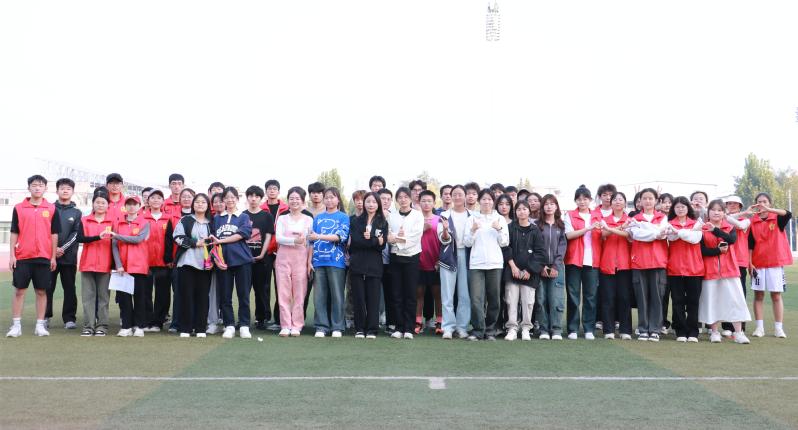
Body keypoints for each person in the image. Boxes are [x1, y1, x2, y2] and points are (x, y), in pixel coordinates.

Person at [6, 175, 60, 338]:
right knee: (19, 291)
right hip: (23, 256)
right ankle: (16, 326)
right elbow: (14, 232)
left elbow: (54, 234)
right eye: (34, 185)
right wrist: (12, 255)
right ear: (29, 187)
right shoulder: (19, 208)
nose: (37, 188)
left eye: (41, 185)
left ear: (46, 188)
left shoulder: (51, 208)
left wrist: (53, 257)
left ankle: (40, 326)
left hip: (43, 256)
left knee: (41, 291)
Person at [699, 199, 751, 344]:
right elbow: (702, 250)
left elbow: (731, 240)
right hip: (710, 271)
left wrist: (715, 230)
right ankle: (714, 332)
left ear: (724, 213)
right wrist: (717, 251)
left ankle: (738, 332)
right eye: (713, 210)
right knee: (712, 300)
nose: (716, 213)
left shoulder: (730, 227)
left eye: (720, 210)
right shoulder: (702, 229)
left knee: (735, 300)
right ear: (708, 212)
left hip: (730, 270)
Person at [463, 189, 509, 341]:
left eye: (489, 199)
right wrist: (473, 230)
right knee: (476, 299)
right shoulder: (472, 219)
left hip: (495, 264)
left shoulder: (499, 219)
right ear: (479, 201)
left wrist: (499, 229)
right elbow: (467, 242)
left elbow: (505, 242)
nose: (486, 202)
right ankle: (478, 330)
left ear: (493, 201)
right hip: (476, 264)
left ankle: (490, 330)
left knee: (494, 298)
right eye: (483, 199)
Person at [626, 188, 669, 342]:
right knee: (642, 297)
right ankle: (643, 328)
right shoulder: (634, 218)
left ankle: (655, 329)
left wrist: (645, 228)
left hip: (658, 261)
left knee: (657, 297)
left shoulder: (662, 217)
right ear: (640, 201)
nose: (648, 201)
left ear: (656, 201)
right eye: (644, 198)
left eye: (651, 198)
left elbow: (663, 234)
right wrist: (655, 233)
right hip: (639, 261)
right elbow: (636, 235)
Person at [748, 192, 792, 338]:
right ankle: (759, 328)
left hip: (775, 263)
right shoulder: (753, 221)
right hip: (758, 264)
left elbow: (788, 213)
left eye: (765, 201)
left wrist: (768, 209)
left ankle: (779, 329)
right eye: (759, 201)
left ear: (770, 203)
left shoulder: (777, 218)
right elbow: (750, 245)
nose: (761, 204)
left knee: (776, 295)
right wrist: (750, 263)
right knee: (758, 295)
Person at [212, 187, 254, 339]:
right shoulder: (217, 219)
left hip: (242, 261)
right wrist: (216, 260)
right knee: (225, 296)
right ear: (223, 200)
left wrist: (222, 240)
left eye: (232, 197)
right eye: (227, 197)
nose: (230, 200)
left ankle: (244, 325)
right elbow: (212, 242)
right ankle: (229, 325)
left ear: (237, 199)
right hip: (223, 262)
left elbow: (242, 234)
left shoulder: (243, 216)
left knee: (243, 295)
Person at [309, 187, 350, 338]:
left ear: (338, 199)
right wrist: (309, 261)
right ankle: (321, 326)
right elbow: (311, 242)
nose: (329, 200)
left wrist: (319, 236)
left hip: (336, 261)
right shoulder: (318, 218)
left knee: (337, 295)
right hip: (318, 261)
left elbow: (340, 237)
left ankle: (337, 326)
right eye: (326, 197)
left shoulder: (343, 217)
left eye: (332, 197)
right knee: (319, 296)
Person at [563, 185, 603, 340]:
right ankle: (572, 329)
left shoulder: (597, 215)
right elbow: (569, 235)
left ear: (590, 200)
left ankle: (589, 329)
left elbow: (604, 234)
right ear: (575, 201)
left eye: (585, 199)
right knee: (573, 296)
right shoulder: (570, 215)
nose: (582, 201)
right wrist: (588, 228)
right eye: (579, 199)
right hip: (574, 259)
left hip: (593, 260)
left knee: (590, 296)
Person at [274, 186, 314, 337]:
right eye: (291, 198)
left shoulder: (309, 219)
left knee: (299, 293)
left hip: (301, 258)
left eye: (298, 198)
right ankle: (285, 325)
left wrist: (309, 261)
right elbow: (278, 238)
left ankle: (297, 325)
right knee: (283, 292)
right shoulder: (282, 218)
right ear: (288, 201)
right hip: (283, 258)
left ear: (303, 201)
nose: (294, 201)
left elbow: (310, 242)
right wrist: (294, 241)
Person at [503, 200, 545, 341]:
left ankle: (526, 328)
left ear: (529, 211)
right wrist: (513, 267)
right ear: (515, 212)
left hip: (530, 274)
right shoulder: (510, 228)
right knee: (511, 300)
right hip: (512, 271)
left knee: (528, 302)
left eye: (524, 209)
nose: (522, 211)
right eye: (519, 209)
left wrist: (529, 270)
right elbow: (505, 247)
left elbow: (540, 253)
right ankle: (512, 328)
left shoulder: (535, 230)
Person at [173, 194, 214, 338]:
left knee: (203, 297)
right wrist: (195, 243)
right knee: (186, 296)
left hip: (205, 265)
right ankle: (186, 328)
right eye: (197, 202)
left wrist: (213, 260)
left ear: (208, 205)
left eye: (203, 202)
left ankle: (200, 328)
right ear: (193, 205)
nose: (200, 204)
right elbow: (177, 237)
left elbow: (216, 243)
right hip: (187, 263)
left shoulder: (212, 222)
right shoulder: (186, 220)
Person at [349, 192, 388, 338]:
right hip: (357, 263)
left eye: (374, 202)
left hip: (374, 264)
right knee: (358, 297)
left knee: (373, 298)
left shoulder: (382, 222)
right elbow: (356, 242)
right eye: (368, 201)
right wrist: (375, 240)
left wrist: (372, 239)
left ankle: (372, 329)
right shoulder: (356, 221)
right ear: (364, 204)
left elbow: (382, 246)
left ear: (378, 204)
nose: (371, 204)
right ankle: (359, 328)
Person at [387, 187, 425, 339]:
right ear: (396, 199)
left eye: (405, 197)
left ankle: (409, 328)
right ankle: (398, 327)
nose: (403, 200)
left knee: (410, 293)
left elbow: (416, 236)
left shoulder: (417, 215)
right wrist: (397, 239)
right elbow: (389, 235)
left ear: (410, 198)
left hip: (412, 257)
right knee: (396, 293)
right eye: (400, 197)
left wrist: (398, 239)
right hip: (395, 257)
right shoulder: (392, 216)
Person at [666, 196, 705, 342]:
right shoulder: (669, 223)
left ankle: (693, 331)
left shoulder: (697, 223)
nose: (680, 209)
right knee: (678, 301)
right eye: (677, 207)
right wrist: (684, 232)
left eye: (683, 206)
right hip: (675, 268)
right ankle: (680, 330)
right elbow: (672, 238)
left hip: (694, 268)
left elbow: (695, 239)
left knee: (693, 302)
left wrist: (679, 232)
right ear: (673, 209)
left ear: (688, 208)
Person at [46, 178, 82, 330]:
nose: (65, 191)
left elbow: (76, 233)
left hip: (68, 258)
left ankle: (69, 319)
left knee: (69, 288)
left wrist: (62, 249)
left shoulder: (77, 212)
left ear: (72, 192)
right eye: (62, 188)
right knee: (47, 287)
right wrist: (53, 250)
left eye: (68, 188)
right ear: (57, 191)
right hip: (50, 257)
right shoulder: (49, 209)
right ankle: (45, 317)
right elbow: (45, 231)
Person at [111, 196, 150, 337]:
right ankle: (126, 326)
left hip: (139, 265)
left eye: (134, 204)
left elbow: (138, 239)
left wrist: (117, 236)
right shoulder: (118, 223)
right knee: (124, 298)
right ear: (125, 206)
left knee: (139, 297)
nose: (132, 207)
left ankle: (139, 326)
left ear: (139, 206)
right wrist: (118, 264)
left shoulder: (144, 223)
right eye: (129, 204)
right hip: (123, 267)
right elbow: (114, 246)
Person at [77, 193, 114, 336]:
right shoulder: (84, 220)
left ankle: (102, 326)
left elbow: (115, 243)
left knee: (104, 297)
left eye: (103, 202)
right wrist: (97, 237)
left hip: (105, 264)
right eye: (97, 202)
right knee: (88, 297)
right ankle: (88, 326)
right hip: (88, 263)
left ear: (108, 205)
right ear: (93, 204)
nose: (100, 205)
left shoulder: (112, 221)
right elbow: (80, 238)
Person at [437, 185, 472, 339]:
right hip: (449, 255)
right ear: (451, 197)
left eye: (460, 194)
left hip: (467, 255)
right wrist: (445, 230)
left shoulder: (473, 215)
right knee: (447, 293)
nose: (457, 197)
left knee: (465, 294)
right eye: (454, 194)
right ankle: (448, 327)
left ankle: (462, 327)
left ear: (465, 196)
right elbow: (443, 239)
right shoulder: (444, 215)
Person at [599, 192, 633, 340]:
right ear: (610, 203)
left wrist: (613, 228)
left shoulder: (631, 220)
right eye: (615, 199)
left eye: (621, 199)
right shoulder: (604, 219)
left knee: (624, 297)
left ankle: (625, 330)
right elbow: (603, 234)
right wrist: (620, 227)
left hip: (625, 264)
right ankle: (608, 330)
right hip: (607, 263)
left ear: (625, 203)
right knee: (608, 298)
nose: (617, 202)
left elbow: (629, 236)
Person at [243, 186, 275, 331]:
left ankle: (260, 319)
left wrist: (262, 254)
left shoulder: (267, 216)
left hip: (262, 260)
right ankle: (243, 319)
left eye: (256, 196)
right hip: (244, 260)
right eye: (251, 196)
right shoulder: (243, 216)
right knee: (244, 291)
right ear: (247, 198)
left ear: (261, 198)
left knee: (261, 290)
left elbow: (268, 236)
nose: (253, 199)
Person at [142, 190, 174, 332]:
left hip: (163, 262)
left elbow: (171, 240)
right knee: (145, 292)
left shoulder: (168, 219)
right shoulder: (142, 218)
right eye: (153, 198)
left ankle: (158, 322)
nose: (155, 200)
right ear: (148, 201)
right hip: (145, 262)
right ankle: (147, 320)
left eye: (159, 198)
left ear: (163, 201)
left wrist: (170, 258)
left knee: (162, 294)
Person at [536, 194, 567, 340]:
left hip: (557, 267)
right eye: (546, 204)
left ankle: (556, 330)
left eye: (552, 204)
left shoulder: (561, 226)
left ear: (556, 207)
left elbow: (562, 247)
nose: (549, 207)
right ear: (542, 207)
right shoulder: (537, 226)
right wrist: (541, 266)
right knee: (541, 299)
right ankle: (543, 329)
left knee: (556, 299)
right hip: (540, 267)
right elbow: (536, 247)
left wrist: (555, 265)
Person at [261, 179, 290, 330]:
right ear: (266, 191)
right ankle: (264, 317)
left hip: (282, 251)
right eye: (269, 188)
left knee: (281, 286)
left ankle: (279, 319)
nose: (272, 191)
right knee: (264, 285)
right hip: (265, 251)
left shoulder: (286, 208)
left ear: (279, 191)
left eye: (274, 188)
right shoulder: (261, 208)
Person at [723, 195, 751, 335]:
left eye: (736, 204)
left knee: (739, 294)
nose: (732, 205)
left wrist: (725, 216)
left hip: (739, 261)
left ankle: (740, 327)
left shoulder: (745, 220)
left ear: (740, 207)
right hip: (724, 259)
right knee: (725, 294)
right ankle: (727, 326)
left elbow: (739, 225)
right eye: (729, 204)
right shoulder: (722, 219)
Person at [415, 190, 442, 335]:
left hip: (435, 263)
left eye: (429, 201)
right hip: (418, 262)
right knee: (419, 294)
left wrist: (440, 259)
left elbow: (445, 242)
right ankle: (418, 322)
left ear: (434, 203)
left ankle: (439, 322)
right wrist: (422, 229)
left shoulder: (440, 219)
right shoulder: (415, 219)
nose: (426, 203)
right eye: (423, 201)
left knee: (437, 294)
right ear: (419, 202)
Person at [378, 188, 395, 332]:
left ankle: (391, 322)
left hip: (391, 261)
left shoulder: (395, 217)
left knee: (391, 293)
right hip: (375, 261)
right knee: (374, 293)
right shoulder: (371, 217)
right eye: (382, 198)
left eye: (388, 199)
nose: (385, 201)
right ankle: (374, 320)